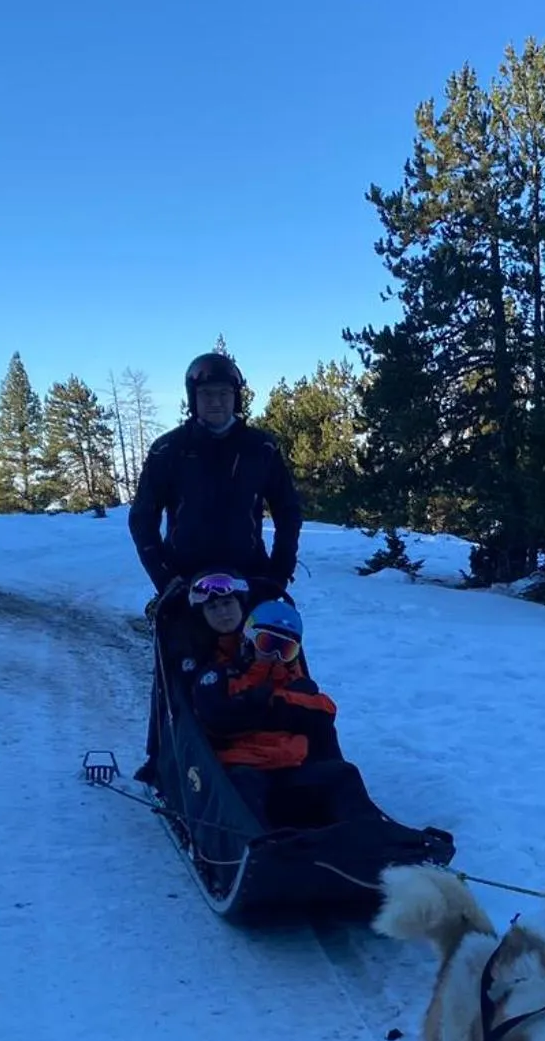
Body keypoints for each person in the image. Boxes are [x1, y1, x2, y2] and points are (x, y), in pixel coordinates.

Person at [128, 352, 303, 601]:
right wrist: (163, 577)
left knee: (273, 639)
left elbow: (288, 511)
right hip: (184, 582)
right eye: (207, 394)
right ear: (193, 398)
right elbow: (142, 518)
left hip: (251, 578)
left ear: (236, 397)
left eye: (223, 393)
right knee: (181, 641)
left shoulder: (261, 447)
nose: (216, 401)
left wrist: (279, 573)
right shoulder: (168, 450)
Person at [191, 598, 374, 829]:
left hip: (292, 769)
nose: (275, 654)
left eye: (285, 649)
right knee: (243, 785)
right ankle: (258, 849)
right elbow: (218, 718)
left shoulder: (293, 681)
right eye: (267, 643)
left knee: (343, 774)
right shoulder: (220, 675)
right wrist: (270, 707)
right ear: (248, 639)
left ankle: (369, 838)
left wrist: (271, 703)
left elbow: (324, 712)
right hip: (245, 768)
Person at [134, 568, 253, 786]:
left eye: (227, 604)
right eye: (213, 607)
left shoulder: (263, 646)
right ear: (203, 613)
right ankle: (159, 759)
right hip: (227, 747)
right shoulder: (196, 656)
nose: (223, 613)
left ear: (241, 604)